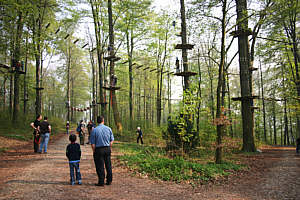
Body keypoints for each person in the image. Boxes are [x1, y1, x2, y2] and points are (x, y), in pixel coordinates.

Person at [90, 116, 114, 186]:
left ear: (97, 121)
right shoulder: (108, 129)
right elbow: (112, 140)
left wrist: (94, 151)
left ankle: (101, 181)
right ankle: (109, 180)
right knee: (108, 165)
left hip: (98, 149)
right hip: (107, 148)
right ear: (103, 120)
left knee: (100, 166)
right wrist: (109, 146)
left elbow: (93, 143)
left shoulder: (94, 130)